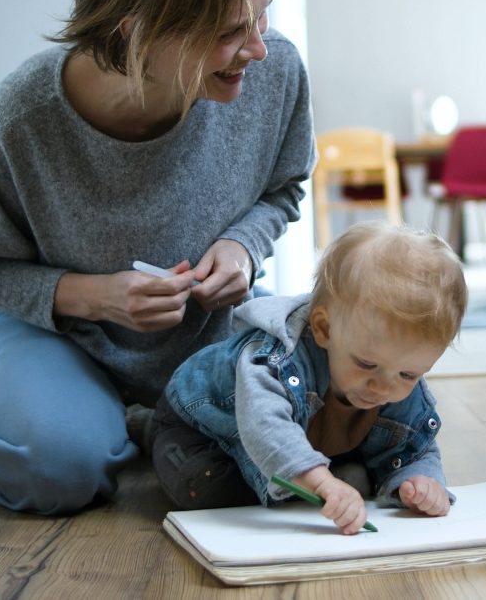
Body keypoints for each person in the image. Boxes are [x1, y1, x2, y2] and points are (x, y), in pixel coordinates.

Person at [0, 0, 315, 515]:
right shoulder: (17, 122)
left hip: (206, 332)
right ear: (134, 32)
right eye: (232, 30)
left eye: (262, 14)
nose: (259, 46)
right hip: (64, 337)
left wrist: (243, 246)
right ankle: (68, 433)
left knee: (308, 445)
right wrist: (95, 298)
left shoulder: (274, 72)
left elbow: (284, 188)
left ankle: (132, 425)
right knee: (53, 473)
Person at [143, 222, 467, 534]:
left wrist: (422, 481)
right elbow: (264, 425)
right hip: (198, 430)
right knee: (204, 489)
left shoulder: (392, 371)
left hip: (302, 445)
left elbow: (414, 445)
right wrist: (322, 483)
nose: (384, 386)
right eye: (366, 364)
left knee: (350, 480)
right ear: (324, 329)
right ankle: (144, 428)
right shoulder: (276, 359)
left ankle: (311, 476)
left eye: (409, 374)